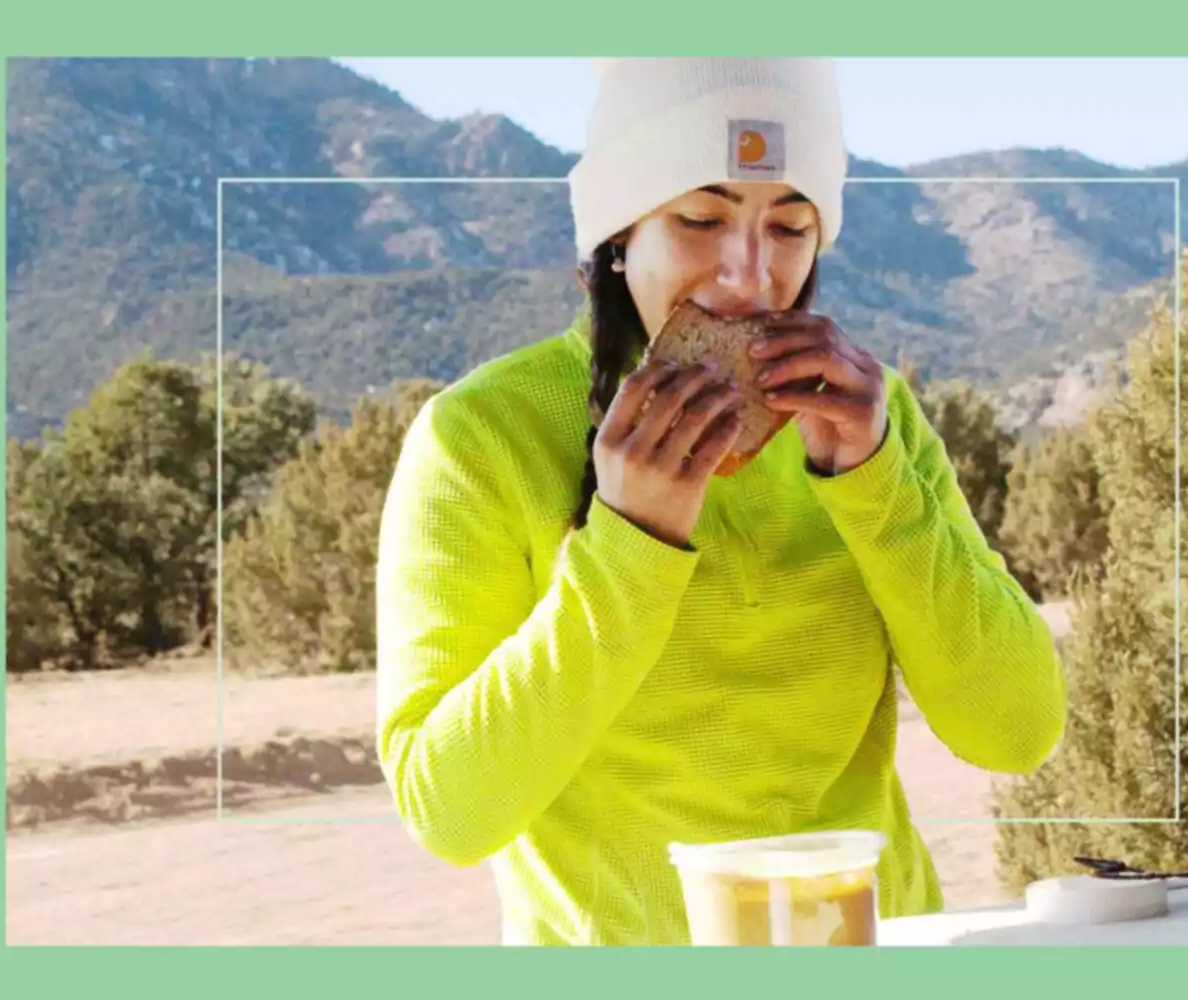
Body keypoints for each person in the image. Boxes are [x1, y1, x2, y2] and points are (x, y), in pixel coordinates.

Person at [374, 57, 1067, 946]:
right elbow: (451, 812)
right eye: (701, 217)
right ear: (619, 233)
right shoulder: (481, 436)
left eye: (790, 226)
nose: (750, 276)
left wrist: (874, 482)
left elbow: (1015, 731)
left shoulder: (870, 417)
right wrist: (632, 541)